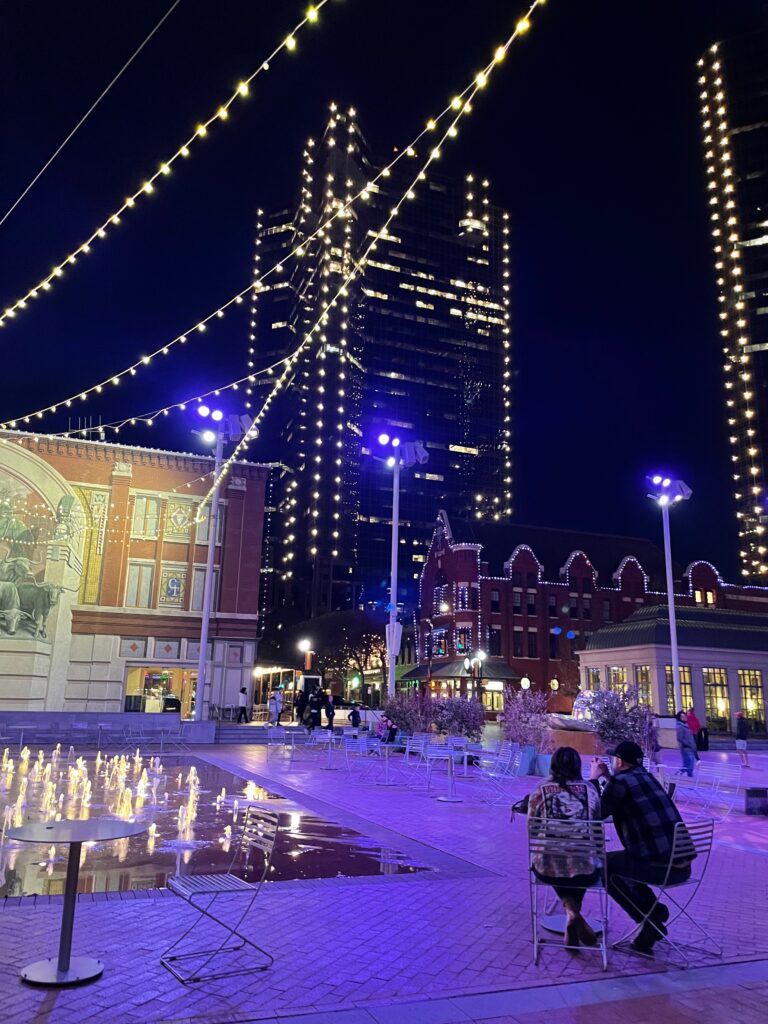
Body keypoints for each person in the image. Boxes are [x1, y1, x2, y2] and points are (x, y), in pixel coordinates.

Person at [591, 740, 694, 956]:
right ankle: (654, 910)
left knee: (605, 866)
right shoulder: (647, 777)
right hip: (683, 866)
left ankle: (649, 924)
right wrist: (608, 777)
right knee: (625, 864)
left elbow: (595, 814)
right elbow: (625, 790)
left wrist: (594, 778)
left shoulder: (619, 783)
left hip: (660, 866)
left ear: (619, 761)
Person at [527, 746, 602, 950]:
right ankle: (573, 913)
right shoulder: (591, 790)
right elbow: (596, 826)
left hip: (547, 869)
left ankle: (571, 912)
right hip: (585, 869)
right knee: (582, 862)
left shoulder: (540, 790)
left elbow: (532, 827)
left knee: (555, 859)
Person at [675, 711, 697, 777]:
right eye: (682, 716)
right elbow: (679, 738)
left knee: (688, 766)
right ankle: (689, 780)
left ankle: (677, 776)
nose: (684, 717)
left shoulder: (686, 726)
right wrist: (687, 744)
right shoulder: (680, 727)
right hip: (686, 749)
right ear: (679, 718)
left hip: (690, 749)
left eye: (685, 716)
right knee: (688, 767)